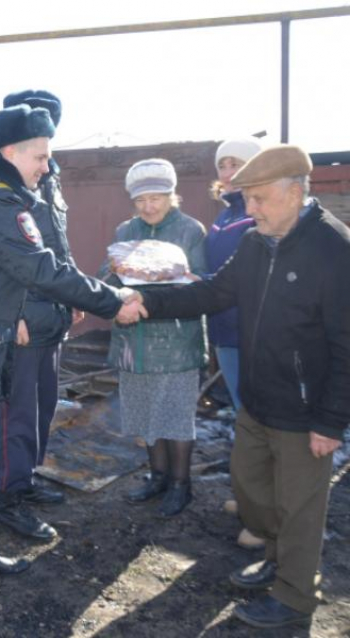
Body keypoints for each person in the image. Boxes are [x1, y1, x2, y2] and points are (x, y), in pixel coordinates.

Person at [0, 103, 142, 617]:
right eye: (40, 156)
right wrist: (112, 300)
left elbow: (17, 273)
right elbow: (40, 268)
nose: (46, 166)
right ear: (11, 152)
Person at [129, 144, 349, 629]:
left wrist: (331, 420)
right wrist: (146, 300)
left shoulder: (335, 249)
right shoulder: (256, 243)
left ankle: (294, 597)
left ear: (294, 194)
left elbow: (346, 344)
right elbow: (212, 292)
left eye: (258, 199)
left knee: (300, 508)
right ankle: (275, 557)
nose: (249, 210)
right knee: (251, 489)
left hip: (305, 409)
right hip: (257, 399)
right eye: (246, 199)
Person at [100, 159, 207, 518]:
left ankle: (181, 484)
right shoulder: (125, 231)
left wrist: (173, 275)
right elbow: (108, 277)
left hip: (176, 341)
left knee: (175, 415)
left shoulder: (191, 231)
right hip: (134, 339)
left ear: (171, 195)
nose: (148, 206)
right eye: (141, 200)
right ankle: (157, 477)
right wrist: (116, 279)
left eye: (156, 198)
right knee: (144, 413)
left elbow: (202, 286)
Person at [0, 90, 72, 542]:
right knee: (15, 413)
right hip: (23, 318)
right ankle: (8, 494)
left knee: (42, 405)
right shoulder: (8, 184)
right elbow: (5, 257)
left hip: (52, 313)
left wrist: (73, 294)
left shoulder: (49, 178)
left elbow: (59, 244)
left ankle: (27, 477)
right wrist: (14, 314)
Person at [206, 138, 266, 550]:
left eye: (238, 164)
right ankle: (250, 500)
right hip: (225, 331)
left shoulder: (261, 214)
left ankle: (264, 520)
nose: (229, 171)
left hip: (255, 334)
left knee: (263, 423)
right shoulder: (226, 215)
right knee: (243, 419)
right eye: (224, 164)